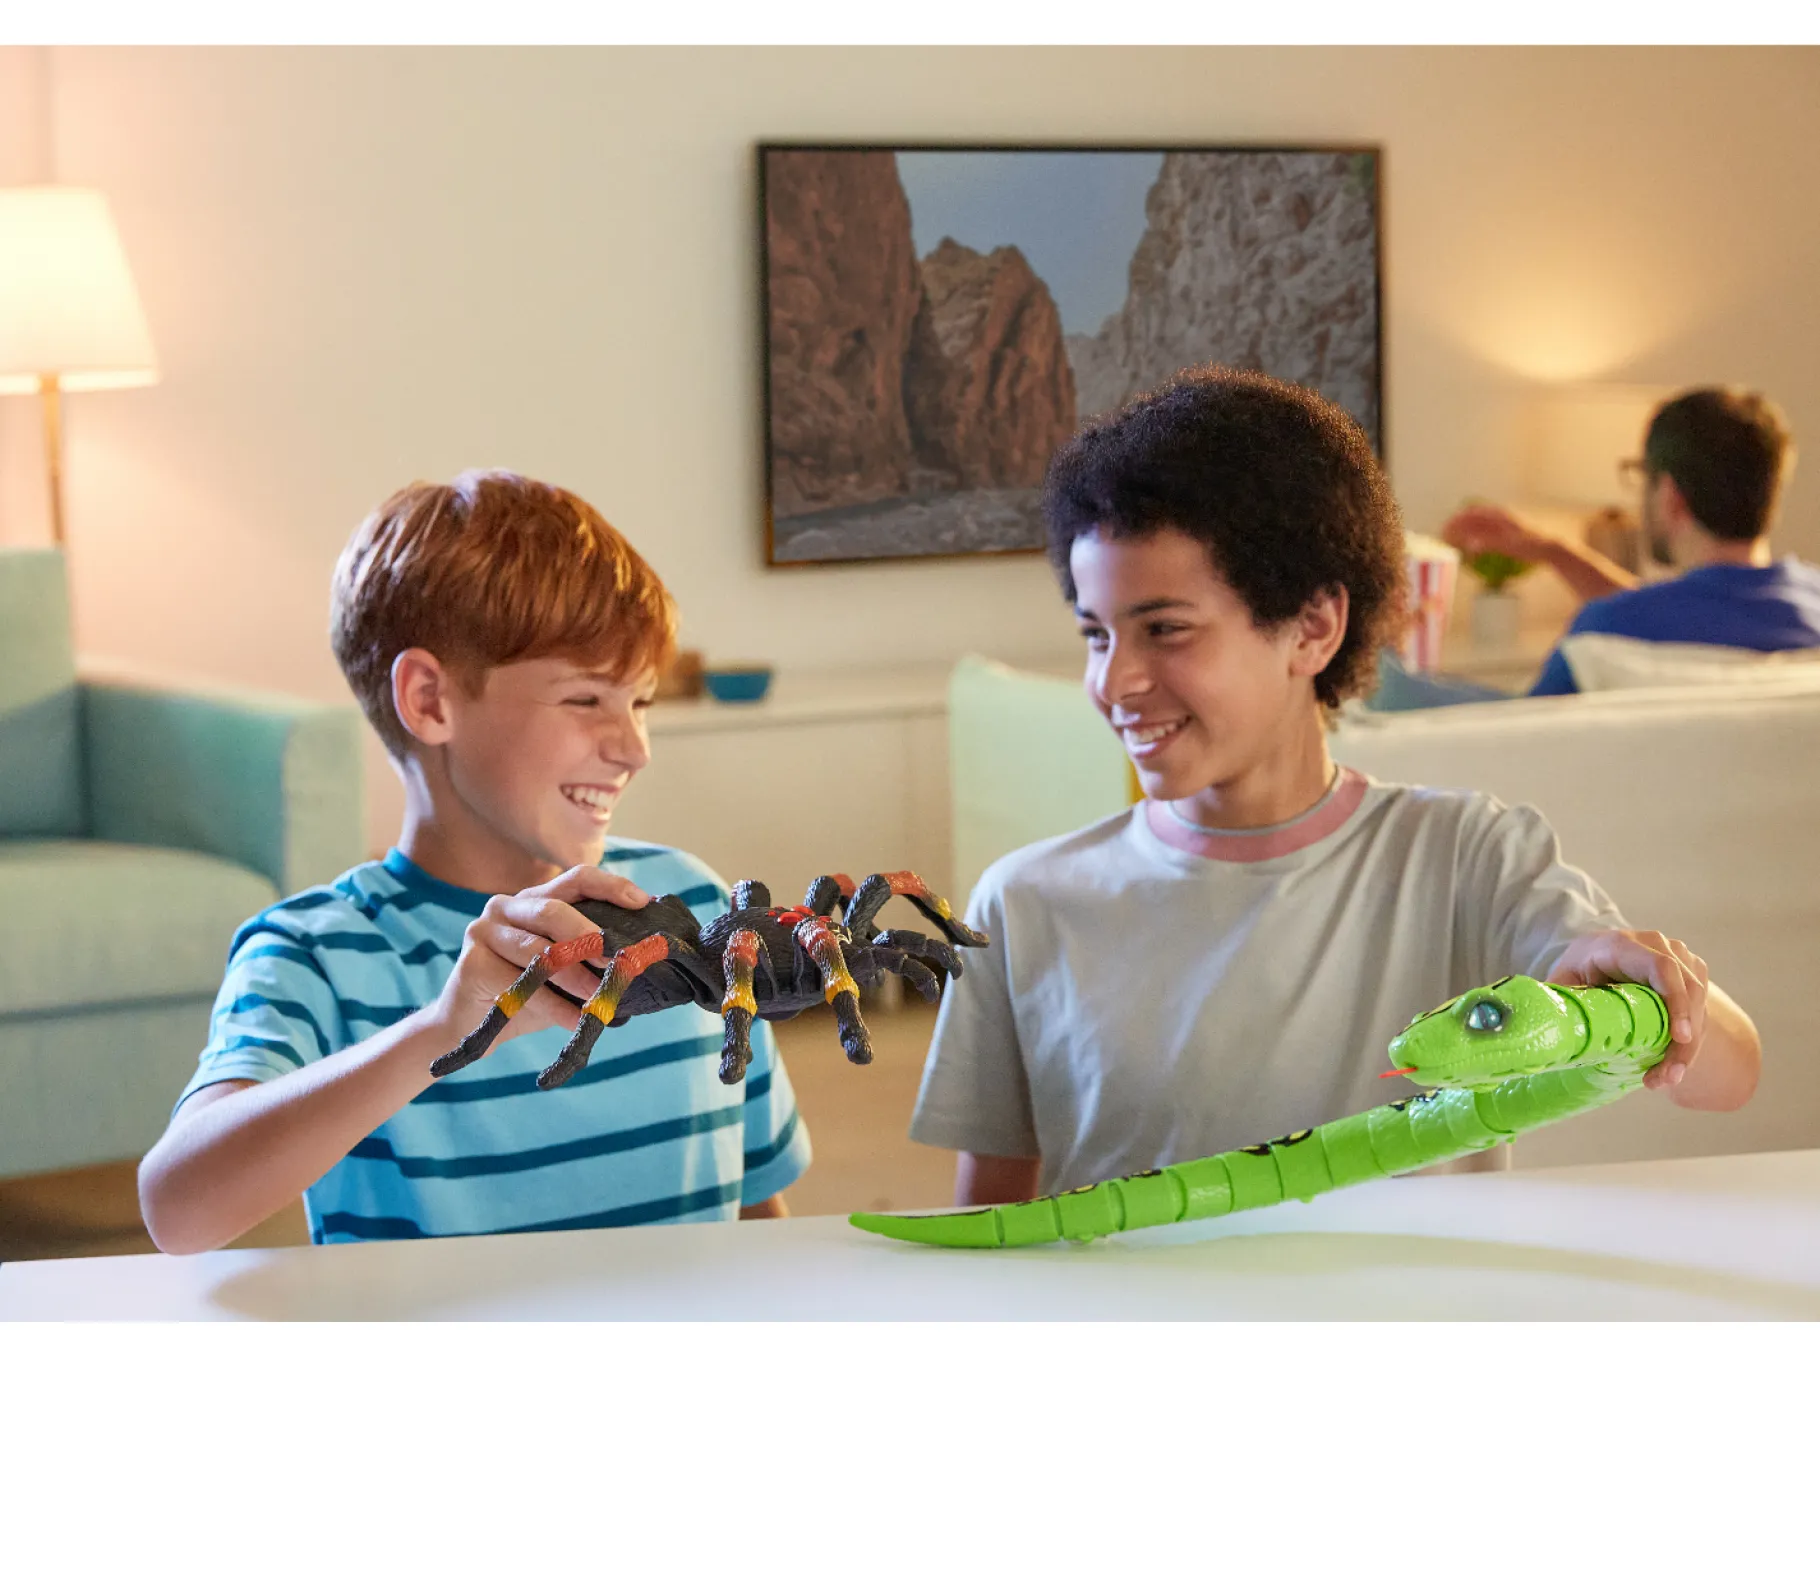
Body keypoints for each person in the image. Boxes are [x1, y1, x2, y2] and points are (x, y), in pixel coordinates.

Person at [908, 369, 1760, 1207]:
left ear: (1314, 627)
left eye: (1164, 629)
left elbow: (1732, 1073)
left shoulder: (1468, 859)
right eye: (1096, 635)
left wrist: (1656, 999)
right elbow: (989, 1223)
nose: (1115, 680)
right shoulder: (1021, 904)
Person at [138, 472, 811, 1252]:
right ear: (430, 700)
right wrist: (444, 1029)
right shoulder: (315, 953)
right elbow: (178, 1211)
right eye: (586, 700)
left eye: (640, 702)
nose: (635, 749)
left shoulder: (690, 897)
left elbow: (756, 1214)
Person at [1443, 387, 1820, 695]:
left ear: (1671, 497)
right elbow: (1696, 608)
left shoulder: (1606, 638)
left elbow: (1518, 742)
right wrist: (1554, 552)